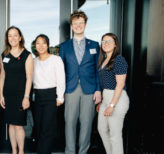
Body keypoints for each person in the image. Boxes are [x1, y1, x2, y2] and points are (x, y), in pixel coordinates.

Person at [59, 10, 101, 154]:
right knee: (69, 123)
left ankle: (83, 151)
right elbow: (61, 71)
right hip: (70, 89)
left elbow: (98, 69)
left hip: (89, 90)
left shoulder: (94, 45)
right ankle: (69, 151)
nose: (78, 25)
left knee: (87, 124)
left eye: (81, 23)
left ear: (85, 24)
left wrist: (98, 89)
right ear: (71, 26)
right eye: (75, 23)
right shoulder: (64, 47)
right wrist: (61, 92)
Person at [0, 26, 33, 154]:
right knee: (11, 124)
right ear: (7, 39)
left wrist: (26, 97)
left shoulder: (27, 55)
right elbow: (2, 75)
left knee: (18, 125)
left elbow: (29, 78)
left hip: (20, 95)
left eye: (15, 35)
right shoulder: (4, 55)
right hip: (8, 94)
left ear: (20, 38)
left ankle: (21, 151)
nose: (12, 38)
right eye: (10, 35)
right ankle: (14, 151)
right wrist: (1, 95)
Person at [96, 33, 129, 154]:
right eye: (103, 41)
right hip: (106, 98)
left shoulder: (119, 59)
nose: (106, 43)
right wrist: (103, 102)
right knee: (102, 129)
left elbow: (120, 85)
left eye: (109, 41)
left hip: (117, 98)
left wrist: (111, 105)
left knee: (115, 134)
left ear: (115, 44)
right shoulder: (103, 60)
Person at [33, 34, 65, 154]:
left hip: (51, 95)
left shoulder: (56, 59)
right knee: (39, 127)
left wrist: (60, 96)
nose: (41, 46)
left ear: (48, 45)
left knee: (47, 127)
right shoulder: (33, 61)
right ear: (35, 46)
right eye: (38, 43)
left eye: (43, 43)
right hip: (37, 96)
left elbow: (61, 79)